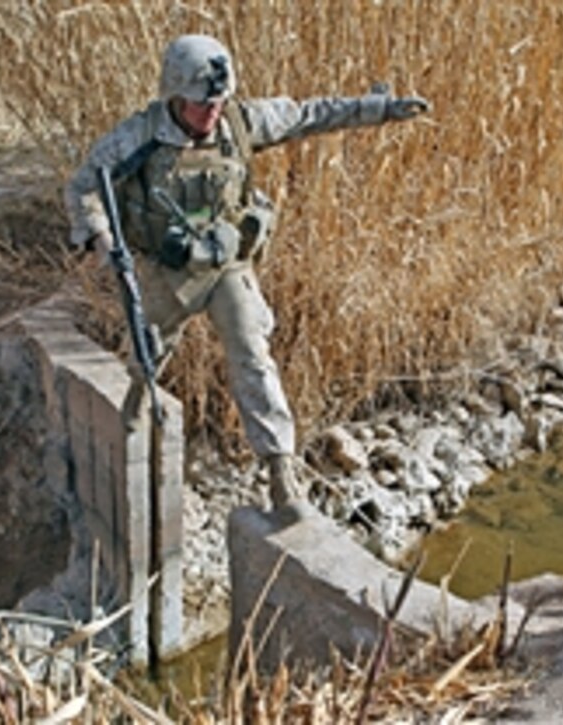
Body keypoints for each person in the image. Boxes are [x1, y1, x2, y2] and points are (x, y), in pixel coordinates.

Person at [65, 34, 430, 510]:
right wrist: (104, 243)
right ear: (174, 96)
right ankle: (134, 412)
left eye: (217, 101)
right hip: (166, 272)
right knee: (148, 355)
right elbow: (83, 188)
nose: (211, 111)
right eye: (200, 104)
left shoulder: (240, 122)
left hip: (225, 265)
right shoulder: (138, 137)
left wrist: (378, 108)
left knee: (253, 353)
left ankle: (280, 471)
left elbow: (308, 115)